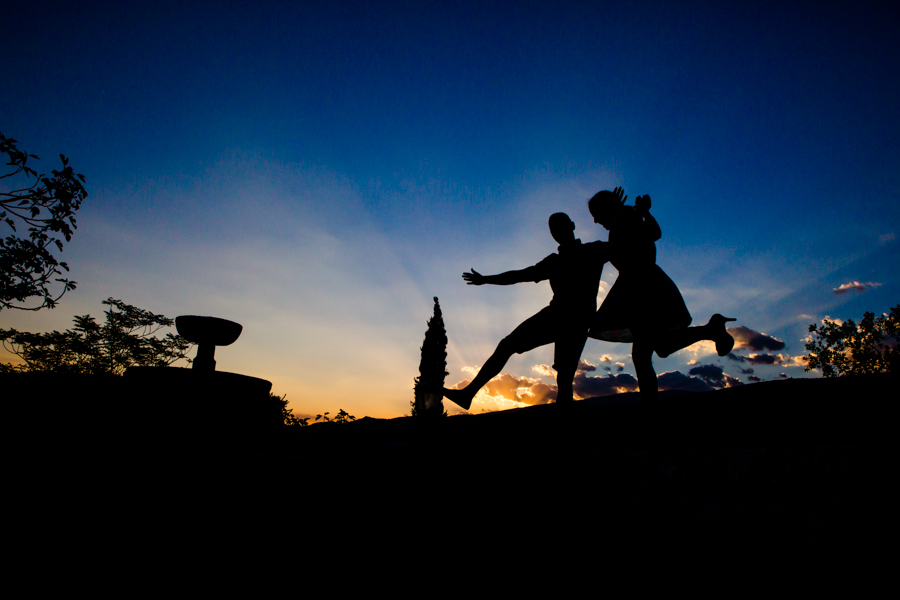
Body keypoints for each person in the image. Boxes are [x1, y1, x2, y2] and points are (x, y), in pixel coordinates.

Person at [587, 189, 735, 411]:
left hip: (644, 288)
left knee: (645, 353)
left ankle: (650, 413)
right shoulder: (626, 218)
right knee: (656, 349)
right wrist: (643, 213)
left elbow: (644, 238)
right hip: (639, 288)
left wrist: (631, 214)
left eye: (597, 214)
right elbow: (654, 233)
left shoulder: (624, 218)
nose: (596, 220)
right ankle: (711, 330)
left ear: (606, 208)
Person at [443, 212, 607, 409]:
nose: (556, 232)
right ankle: (468, 393)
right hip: (556, 316)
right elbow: (520, 275)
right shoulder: (554, 261)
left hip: (578, 320)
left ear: (572, 225)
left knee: (564, 376)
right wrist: (486, 279)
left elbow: (631, 243)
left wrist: (638, 215)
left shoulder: (594, 250)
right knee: (507, 345)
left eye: (559, 226)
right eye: (552, 229)